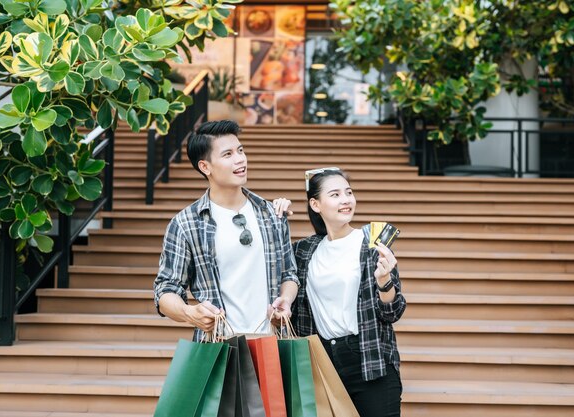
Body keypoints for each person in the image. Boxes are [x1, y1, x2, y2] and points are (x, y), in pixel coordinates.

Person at [153, 120, 299, 340]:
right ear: (205, 167)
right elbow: (165, 289)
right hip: (218, 344)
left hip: (273, 342)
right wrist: (189, 313)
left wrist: (285, 301)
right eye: (228, 154)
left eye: (240, 150)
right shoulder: (186, 224)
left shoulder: (272, 214)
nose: (240, 159)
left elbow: (289, 274)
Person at [290, 167, 406, 417]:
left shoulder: (372, 243)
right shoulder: (304, 251)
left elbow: (393, 312)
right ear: (315, 204)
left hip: (369, 358)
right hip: (321, 362)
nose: (346, 200)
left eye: (349, 192)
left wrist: (384, 281)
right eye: (335, 194)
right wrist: (275, 213)